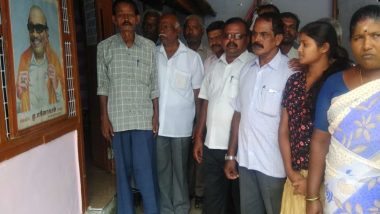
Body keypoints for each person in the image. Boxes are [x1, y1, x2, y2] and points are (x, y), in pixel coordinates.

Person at [306, 4, 380, 214]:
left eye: (376, 35)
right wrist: (312, 197)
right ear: (349, 43)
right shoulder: (334, 83)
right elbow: (319, 142)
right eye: (358, 38)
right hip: (338, 195)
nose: (367, 45)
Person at [278, 21, 351, 214]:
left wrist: (313, 184)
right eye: (299, 44)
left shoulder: (339, 84)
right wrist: (291, 173)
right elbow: (284, 130)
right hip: (295, 178)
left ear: (324, 48)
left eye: (305, 44)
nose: (299, 49)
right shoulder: (294, 81)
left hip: (328, 180)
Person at [224, 13, 292, 214]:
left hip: (274, 166)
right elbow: (238, 115)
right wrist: (230, 154)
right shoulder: (247, 69)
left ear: (278, 39)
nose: (256, 39)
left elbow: (295, 125)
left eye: (264, 34)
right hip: (246, 162)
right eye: (255, 34)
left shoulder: (290, 72)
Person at [96, 0, 159, 213]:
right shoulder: (104, 48)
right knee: (122, 175)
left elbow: (154, 86)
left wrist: (156, 116)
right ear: (114, 19)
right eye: (121, 15)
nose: (126, 19)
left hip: (143, 119)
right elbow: (102, 85)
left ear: (137, 19)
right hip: (118, 120)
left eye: (130, 15)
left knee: (146, 174)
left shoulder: (149, 47)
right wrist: (104, 118)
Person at [193, 17, 254, 214]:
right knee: (213, 201)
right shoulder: (213, 65)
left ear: (247, 39)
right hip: (211, 146)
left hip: (239, 149)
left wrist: (232, 152)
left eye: (237, 36)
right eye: (227, 36)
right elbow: (206, 103)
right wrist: (199, 137)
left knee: (237, 202)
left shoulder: (253, 66)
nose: (231, 40)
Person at [156, 13, 204, 214]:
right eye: (161, 25)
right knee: (162, 171)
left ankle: (181, 207)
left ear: (177, 31)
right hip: (158, 126)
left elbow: (198, 96)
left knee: (180, 172)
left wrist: (198, 126)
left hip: (182, 127)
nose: (162, 29)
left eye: (167, 26)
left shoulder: (192, 58)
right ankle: (167, 208)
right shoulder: (153, 54)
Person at [17, 5, 64, 113]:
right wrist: (18, 96)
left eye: (38, 28)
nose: (34, 34)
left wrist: (57, 86)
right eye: (31, 27)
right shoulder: (23, 60)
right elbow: (18, 115)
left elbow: (65, 107)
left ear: (46, 33)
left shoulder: (54, 60)